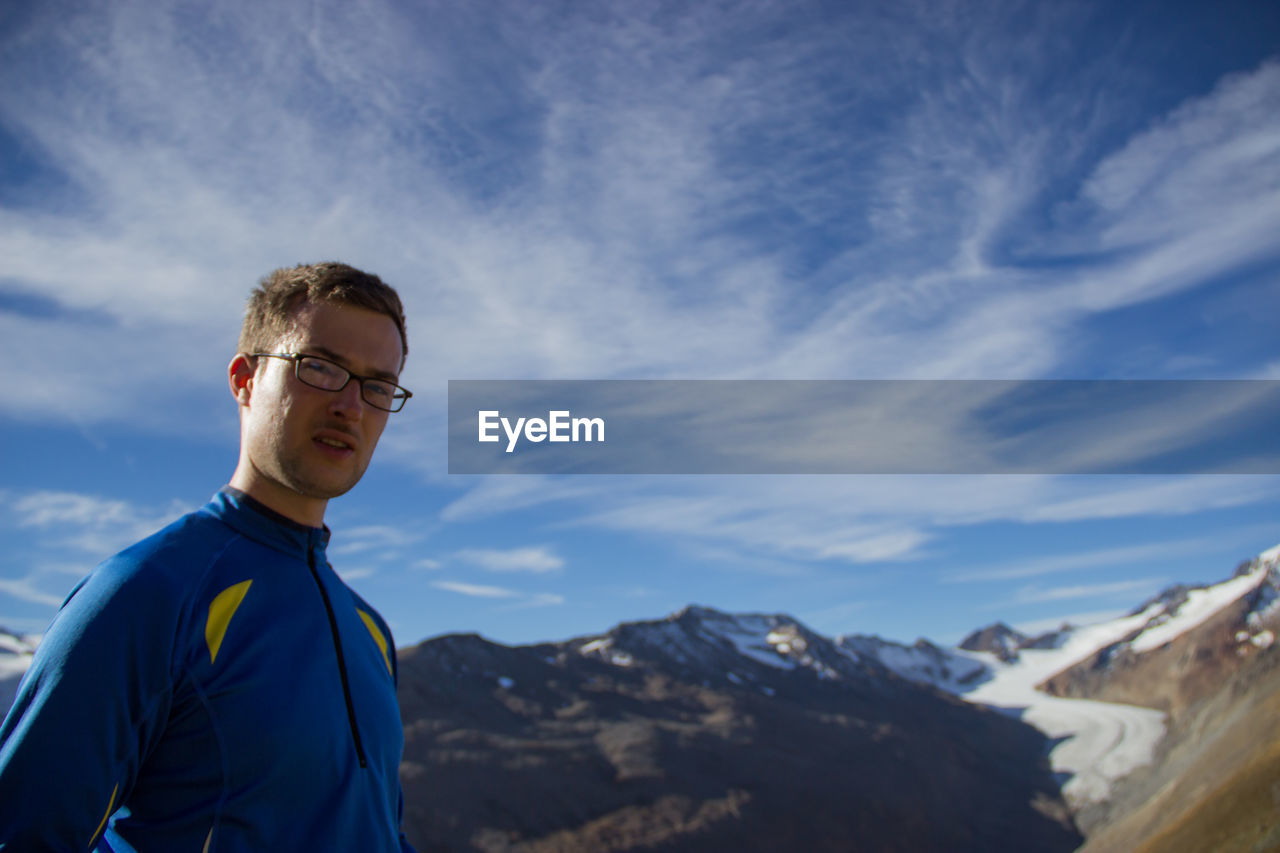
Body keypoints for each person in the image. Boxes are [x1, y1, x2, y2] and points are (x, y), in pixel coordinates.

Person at [0, 262, 418, 852]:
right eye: (320, 367)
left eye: (377, 386)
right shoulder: (147, 593)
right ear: (245, 379)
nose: (351, 405)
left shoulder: (370, 630)